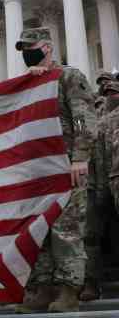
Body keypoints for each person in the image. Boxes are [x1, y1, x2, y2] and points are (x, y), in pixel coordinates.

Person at [14, 28, 96, 313]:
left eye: (30, 46)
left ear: (47, 47)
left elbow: (83, 118)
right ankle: (44, 287)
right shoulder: (29, 85)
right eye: (23, 48)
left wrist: (80, 156)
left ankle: (69, 289)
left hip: (65, 165)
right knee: (40, 230)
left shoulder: (68, 76)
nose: (27, 53)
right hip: (37, 171)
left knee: (66, 228)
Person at [81, 73, 117, 301]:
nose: (109, 95)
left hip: (112, 180)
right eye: (105, 92)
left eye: (112, 92)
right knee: (91, 236)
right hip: (95, 186)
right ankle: (91, 282)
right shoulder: (89, 121)